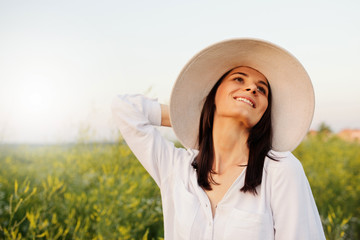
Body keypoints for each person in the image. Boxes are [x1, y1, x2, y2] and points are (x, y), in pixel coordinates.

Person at [112, 39, 326, 239]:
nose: (252, 88)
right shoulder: (177, 168)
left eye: (261, 89)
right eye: (238, 79)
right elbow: (125, 109)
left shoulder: (281, 171)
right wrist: (196, 117)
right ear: (214, 95)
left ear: (264, 112)